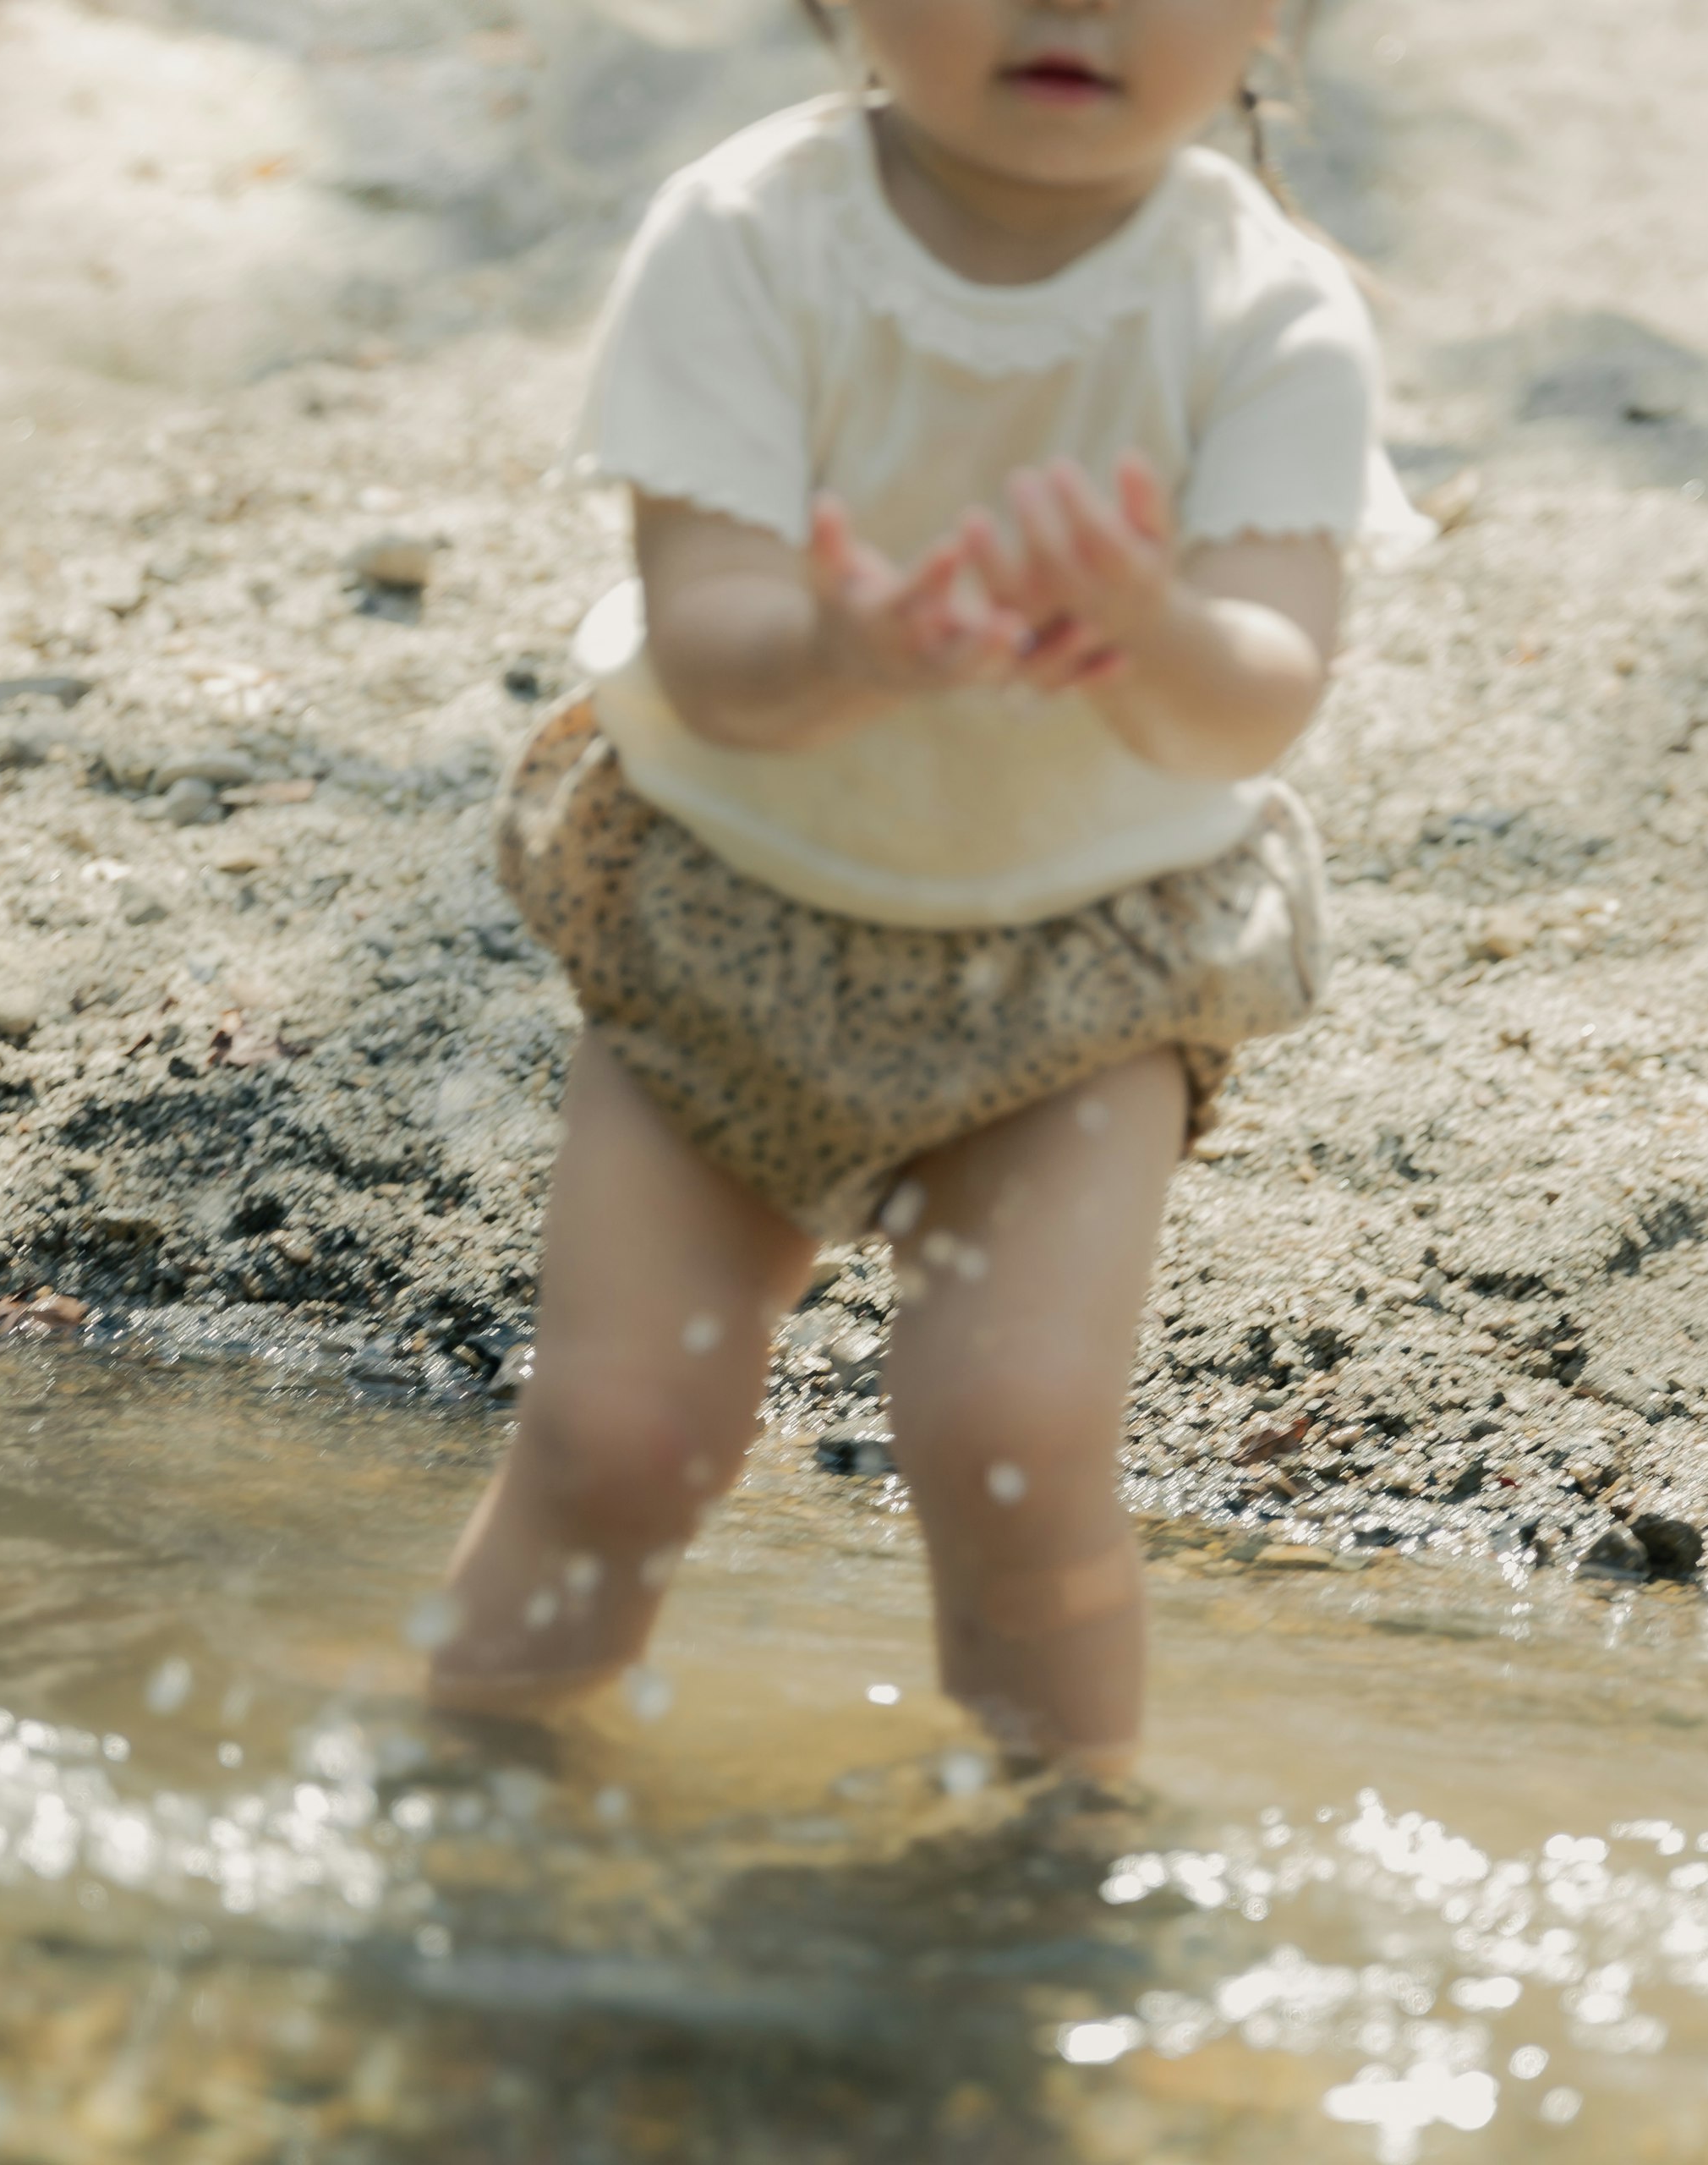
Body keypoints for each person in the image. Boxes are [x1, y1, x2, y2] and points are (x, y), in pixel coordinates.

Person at [422, 0, 1415, 1779]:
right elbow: (715, 642)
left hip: (1082, 965)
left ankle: (1059, 1855)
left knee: (1011, 1440)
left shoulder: (1267, 306)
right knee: (614, 1435)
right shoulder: (747, 234)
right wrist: (846, 644)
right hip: (732, 910)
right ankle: (469, 1810)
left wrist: (1146, 628)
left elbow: (1258, 691)